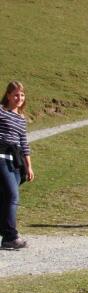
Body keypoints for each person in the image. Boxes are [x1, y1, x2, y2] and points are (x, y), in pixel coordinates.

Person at [0, 81, 34, 249]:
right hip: (0, 158)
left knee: (5, 197)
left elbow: (24, 143)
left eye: (21, 95)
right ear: (8, 95)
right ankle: (10, 236)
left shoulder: (21, 119)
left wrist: (29, 166)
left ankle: (6, 234)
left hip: (14, 161)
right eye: (15, 94)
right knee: (13, 196)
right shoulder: (1, 111)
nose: (19, 98)